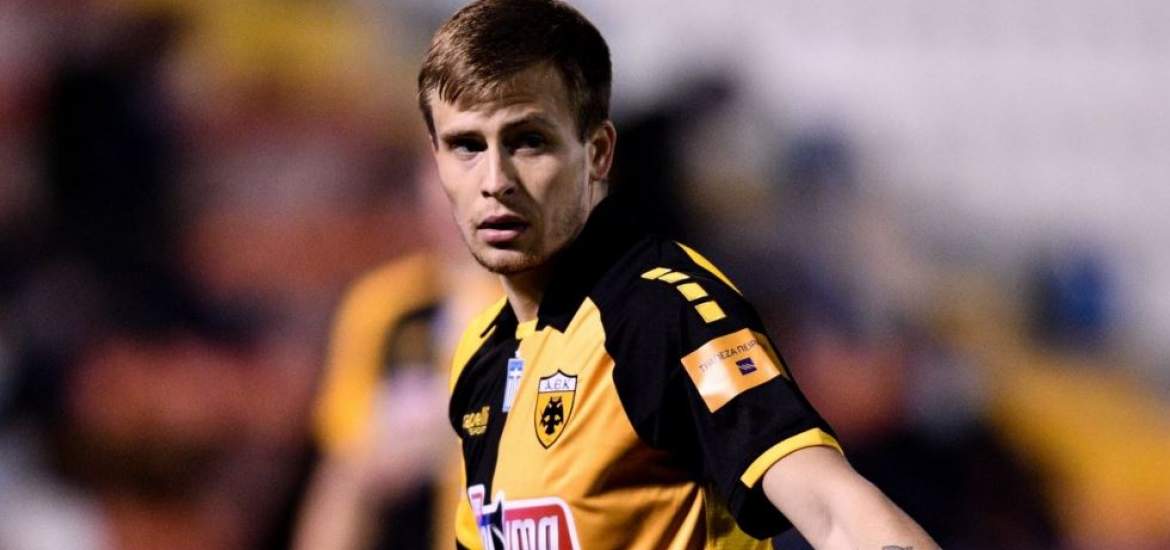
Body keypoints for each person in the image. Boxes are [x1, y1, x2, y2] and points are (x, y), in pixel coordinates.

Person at [418, 1, 939, 548]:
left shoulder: (660, 313)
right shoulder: (481, 353)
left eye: (529, 141)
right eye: (466, 146)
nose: (495, 180)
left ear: (597, 153)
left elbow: (834, 512)